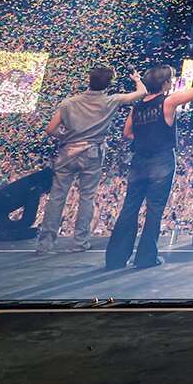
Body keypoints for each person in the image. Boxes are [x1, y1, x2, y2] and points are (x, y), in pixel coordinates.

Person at [105, 54, 193, 270]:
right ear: (165, 83)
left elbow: (127, 133)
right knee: (154, 210)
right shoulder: (168, 102)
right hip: (161, 161)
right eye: (171, 79)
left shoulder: (137, 107)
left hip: (138, 162)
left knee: (129, 208)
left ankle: (115, 258)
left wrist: (146, 137)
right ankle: (146, 257)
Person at [35, 64, 148, 255]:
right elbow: (141, 93)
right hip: (92, 153)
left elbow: (50, 129)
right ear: (109, 84)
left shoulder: (69, 103)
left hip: (67, 153)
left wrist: (67, 136)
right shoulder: (110, 101)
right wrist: (137, 79)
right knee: (86, 197)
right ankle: (80, 242)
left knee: (56, 198)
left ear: (89, 80)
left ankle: (44, 245)